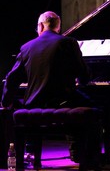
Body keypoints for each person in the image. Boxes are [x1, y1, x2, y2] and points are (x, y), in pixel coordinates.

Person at [1, 11, 94, 168]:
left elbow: (11, 79)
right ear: (58, 27)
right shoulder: (68, 43)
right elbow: (84, 76)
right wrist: (81, 80)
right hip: (64, 104)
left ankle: (34, 153)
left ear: (40, 26)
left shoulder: (26, 48)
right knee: (93, 107)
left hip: (33, 105)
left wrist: (6, 102)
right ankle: (89, 159)